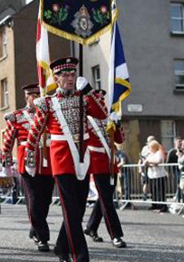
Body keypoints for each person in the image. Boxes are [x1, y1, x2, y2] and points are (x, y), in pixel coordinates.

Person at [25, 57, 107, 262]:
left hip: (82, 157)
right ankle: (79, 255)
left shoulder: (85, 99)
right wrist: (30, 158)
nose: (70, 78)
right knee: (70, 207)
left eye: (73, 74)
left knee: (78, 208)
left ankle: (62, 247)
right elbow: (34, 133)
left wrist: (88, 91)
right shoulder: (48, 103)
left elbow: (102, 114)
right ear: (56, 78)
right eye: (65, 75)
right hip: (61, 160)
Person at [2, 83, 53, 252]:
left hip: (47, 161)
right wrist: (6, 164)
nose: (36, 98)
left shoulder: (48, 115)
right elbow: (8, 142)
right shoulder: (16, 117)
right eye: (33, 95)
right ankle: (42, 237)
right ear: (26, 97)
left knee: (45, 200)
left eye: (39, 94)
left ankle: (35, 226)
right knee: (33, 199)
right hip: (28, 162)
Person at [83, 89, 127, 248]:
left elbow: (120, 139)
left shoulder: (109, 118)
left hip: (111, 162)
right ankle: (115, 235)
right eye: (99, 99)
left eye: (103, 99)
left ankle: (91, 227)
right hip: (96, 163)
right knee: (107, 200)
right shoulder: (87, 120)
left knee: (105, 198)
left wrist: (117, 124)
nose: (102, 102)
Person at [143, 140, 168, 213]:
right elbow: (147, 161)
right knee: (153, 191)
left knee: (160, 191)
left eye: (150, 147)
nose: (149, 149)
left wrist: (149, 162)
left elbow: (158, 161)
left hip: (159, 175)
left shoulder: (159, 153)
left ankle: (162, 206)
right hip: (152, 175)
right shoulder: (150, 154)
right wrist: (147, 163)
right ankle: (155, 204)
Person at [168, 137, 184, 203]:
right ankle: (179, 200)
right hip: (175, 171)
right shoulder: (172, 152)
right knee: (180, 185)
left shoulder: (183, 151)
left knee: (182, 186)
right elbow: (168, 162)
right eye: (178, 142)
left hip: (182, 171)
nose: (180, 144)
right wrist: (169, 173)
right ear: (175, 143)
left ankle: (181, 200)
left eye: (181, 142)